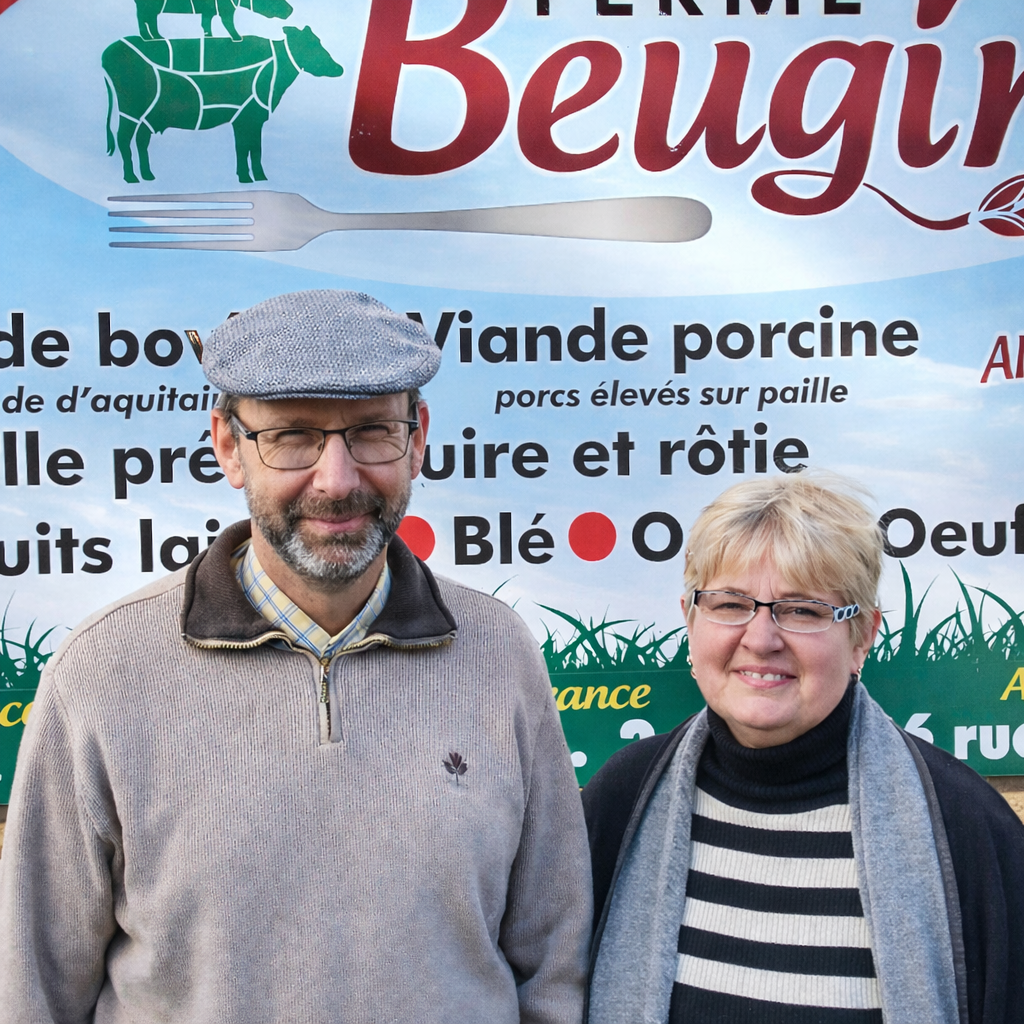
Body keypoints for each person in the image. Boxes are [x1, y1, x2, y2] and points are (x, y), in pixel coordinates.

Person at [0, 290, 591, 1024]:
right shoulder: (101, 671)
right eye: (292, 436)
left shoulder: (499, 652)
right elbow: (35, 989)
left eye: (371, 432)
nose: (336, 480)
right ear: (228, 446)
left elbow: (554, 966)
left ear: (417, 439)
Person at [583, 474, 1024, 1024]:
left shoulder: (967, 830)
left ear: (862, 636)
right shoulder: (622, 800)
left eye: (802, 610)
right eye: (729, 604)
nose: (761, 638)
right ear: (690, 618)